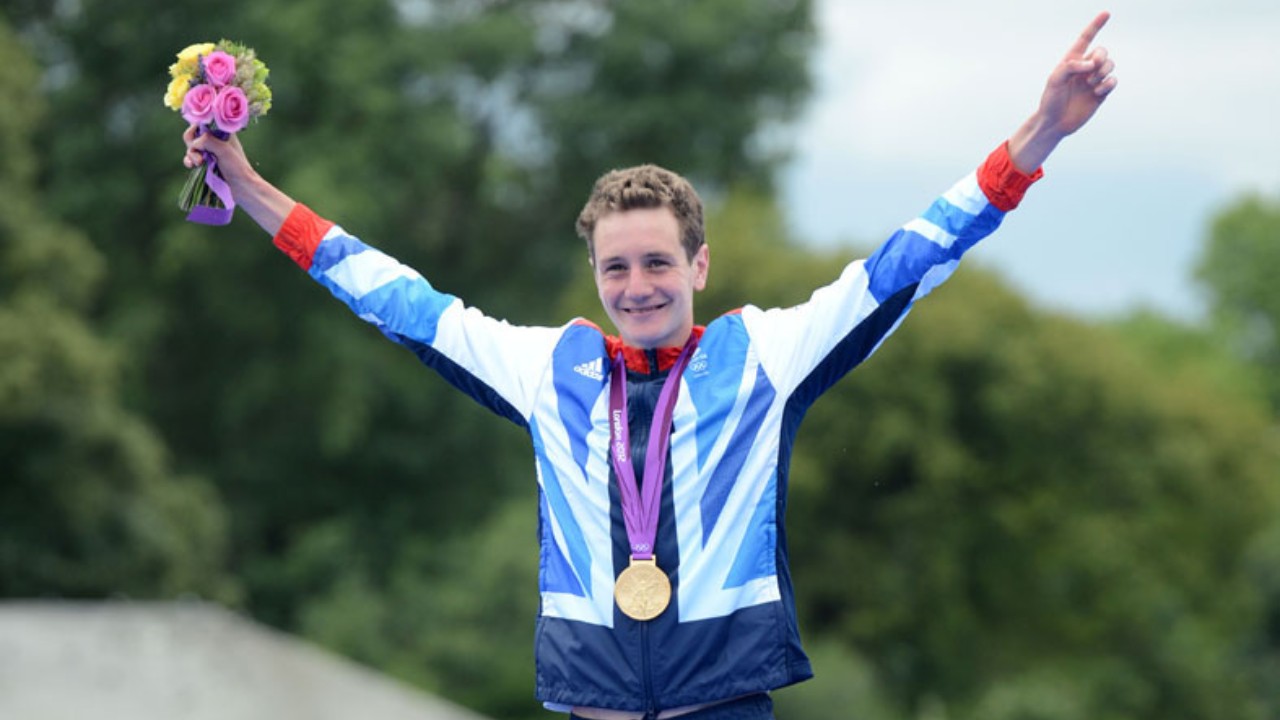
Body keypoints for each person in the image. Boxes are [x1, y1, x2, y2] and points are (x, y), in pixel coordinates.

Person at [182, 12, 1117, 720]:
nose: (637, 286)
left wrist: (1039, 137)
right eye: (616, 266)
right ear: (594, 271)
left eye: (658, 262)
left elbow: (909, 261)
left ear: (699, 265)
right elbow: (389, 294)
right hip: (593, 700)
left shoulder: (766, 358)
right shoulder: (545, 368)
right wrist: (249, 186)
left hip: (727, 699)